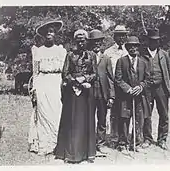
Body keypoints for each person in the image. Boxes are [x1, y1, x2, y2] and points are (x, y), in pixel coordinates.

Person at [54, 29, 97, 163]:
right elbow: (65, 73)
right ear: (75, 41)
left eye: (83, 40)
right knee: (72, 121)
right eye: (78, 41)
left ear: (87, 41)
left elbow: (95, 74)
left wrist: (85, 79)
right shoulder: (70, 55)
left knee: (86, 121)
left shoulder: (92, 55)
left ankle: (86, 154)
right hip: (73, 93)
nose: (81, 43)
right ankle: (71, 153)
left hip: (87, 92)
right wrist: (75, 81)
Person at [28, 20, 67, 155]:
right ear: (43, 36)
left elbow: (64, 71)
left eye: (51, 32)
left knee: (56, 111)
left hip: (56, 82)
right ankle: (44, 143)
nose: (49, 34)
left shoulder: (61, 50)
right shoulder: (38, 51)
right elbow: (35, 72)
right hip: (42, 81)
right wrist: (34, 88)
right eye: (47, 32)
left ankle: (56, 143)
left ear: (55, 34)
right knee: (43, 112)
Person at [115, 36, 151, 152]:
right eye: (130, 46)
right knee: (124, 119)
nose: (133, 48)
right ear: (127, 48)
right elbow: (118, 79)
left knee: (138, 119)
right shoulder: (121, 61)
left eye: (135, 46)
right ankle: (123, 143)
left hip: (139, 96)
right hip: (125, 96)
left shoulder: (143, 62)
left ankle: (136, 143)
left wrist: (141, 86)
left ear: (138, 47)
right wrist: (128, 89)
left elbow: (147, 79)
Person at [141, 28, 170, 150]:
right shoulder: (142, 54)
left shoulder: (164, 54)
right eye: (152, 40)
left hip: (161, 88)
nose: (154, 43)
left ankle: (162, 139)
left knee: (164, 114)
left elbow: (169, 72)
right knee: (146, 114)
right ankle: (147, 138)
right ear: (148, 41)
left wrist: (167, 86)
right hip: (147, 88)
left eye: (157, 41)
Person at [88, 29, 115, 153]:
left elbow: (110, 78)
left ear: (102, 43)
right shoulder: (86, 56)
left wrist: (111, 96)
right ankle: (89, 143)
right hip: (89, 93)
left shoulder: (106, 58)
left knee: (102, 119)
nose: (96, 44)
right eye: (94, 41)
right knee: (89, 118)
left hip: (103, 93)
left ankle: (101, 143)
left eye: (99, 41)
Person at [104, 25, 128, 148]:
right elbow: (106, 72)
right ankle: (113, 138)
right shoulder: (108, 52)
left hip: (125, 87)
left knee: (124, 113)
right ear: (114, 36)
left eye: (123, 35)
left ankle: (123, 139)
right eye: (118, 35)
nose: (121, 38)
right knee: (113, 113)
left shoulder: (128, 51)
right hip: (112, 86)